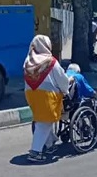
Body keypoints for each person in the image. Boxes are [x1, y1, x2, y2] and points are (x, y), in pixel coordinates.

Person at [23, 35, 70, 163]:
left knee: (41, 119)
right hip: (46, 96)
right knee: (45, 122)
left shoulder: (28, 61)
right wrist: (66, 90)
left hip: (31, 94)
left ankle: (50, 144)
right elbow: (62, 80)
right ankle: (35, 152)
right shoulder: (51, 62)